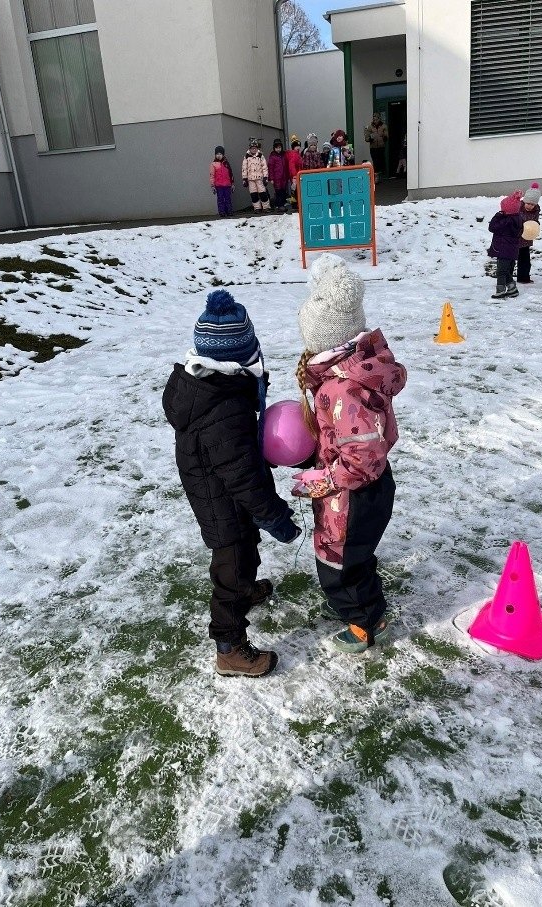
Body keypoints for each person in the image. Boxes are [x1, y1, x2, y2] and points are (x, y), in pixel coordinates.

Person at [162, 290, 301, 677]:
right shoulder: (224, 408)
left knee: (244, 550)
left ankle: (246, 588)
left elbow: (235, 460)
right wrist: (275, 517)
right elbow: (243, 475)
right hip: (220, 497)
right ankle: (229, 647)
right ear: (237, 358)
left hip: (215, 488)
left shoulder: (206, 387)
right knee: (232, 567)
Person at [293, 254, 407, 653]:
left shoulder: (341, 388)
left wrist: (324, 480)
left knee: (341, 560)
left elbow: (361, 456)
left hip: (352, 491)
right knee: (350, 553)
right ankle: (356, 605)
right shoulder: (353, 372)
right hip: (359, 484)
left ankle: (366, 623)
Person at [488, 190, 524, 299]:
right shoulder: (518, 219)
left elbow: (492, 227)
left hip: (504, 250)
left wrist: (498, 215)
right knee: (506, 271)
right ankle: (512, 289)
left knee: (501, 271)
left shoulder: (507, 221)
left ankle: (500, 290)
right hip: (511, 250)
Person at [517, 183, 541, 283]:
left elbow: (535, 221)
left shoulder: (536, 210)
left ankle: (523, 277)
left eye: (532, 204)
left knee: (525, 260)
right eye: (528, 203)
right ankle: (507, 278)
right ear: (524, 201)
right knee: (511, 259)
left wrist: (536, 225)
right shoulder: (518, 207)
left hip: (526, 238)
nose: (530, 206)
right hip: (516, 237)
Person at [241, 138, 270, 214]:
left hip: (259, 178)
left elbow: (264, 167)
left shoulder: (260, 156)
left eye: (255, 148)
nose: (254, 150)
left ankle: (266, 207)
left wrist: (265, 177)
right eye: (252, 148)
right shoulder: (247, 157)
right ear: (249, 149)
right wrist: (244, 179)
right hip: (251, 179)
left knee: (262, 193)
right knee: (253, 194)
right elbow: (244, 168)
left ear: (257, 148)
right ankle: (257, 208)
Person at [209, 145, 234, 217]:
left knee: (228, 199)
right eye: (217, 154)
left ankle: (229, 211)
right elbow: (212, 175)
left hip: (227, 185)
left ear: (223, 155)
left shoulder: (226, 163)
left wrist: (232, 183)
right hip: (219, 185)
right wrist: (212, 185)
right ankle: (222, 212)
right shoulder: (213, 164)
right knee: (220, 199)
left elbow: (230, 174)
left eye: (220, 154)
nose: (219, 155)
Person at [363, 112, 388, 184]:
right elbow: (366, 138)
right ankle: (376, 177)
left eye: (376, 118)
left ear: (379, 118)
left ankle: (380, 176)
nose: (375, 119)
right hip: (373, 147)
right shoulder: (370, 127)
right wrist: (370, 139)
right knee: (375, 161)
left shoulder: (384, 126)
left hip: (381, 146)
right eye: (374, 118)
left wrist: (384, 137)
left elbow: (386, 136)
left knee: (381, 161)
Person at [268, 138, 289, 213]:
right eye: (276, 148)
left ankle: (281, 204)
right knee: (278, 191)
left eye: (279, 147)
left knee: (283, 191)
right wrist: (271, 178)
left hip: (284, 177)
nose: (278, 149)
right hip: (277, 178)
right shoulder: (272, 156)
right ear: (274, 148)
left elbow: (286, 165)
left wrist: (287, 176)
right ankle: (280, 205)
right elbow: (270, 168)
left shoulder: (284, 155)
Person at [285, 134, 302, 210]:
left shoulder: (297, 154)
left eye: (298, 146)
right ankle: (296, 204)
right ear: (293, 147)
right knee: (296, 190)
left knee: (297, 190)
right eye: (296, 146)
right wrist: (294, 175)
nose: (298, 147)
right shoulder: (293, 155)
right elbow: (291, 166)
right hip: (295, 176)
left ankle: (297, 204)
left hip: (298, 175)